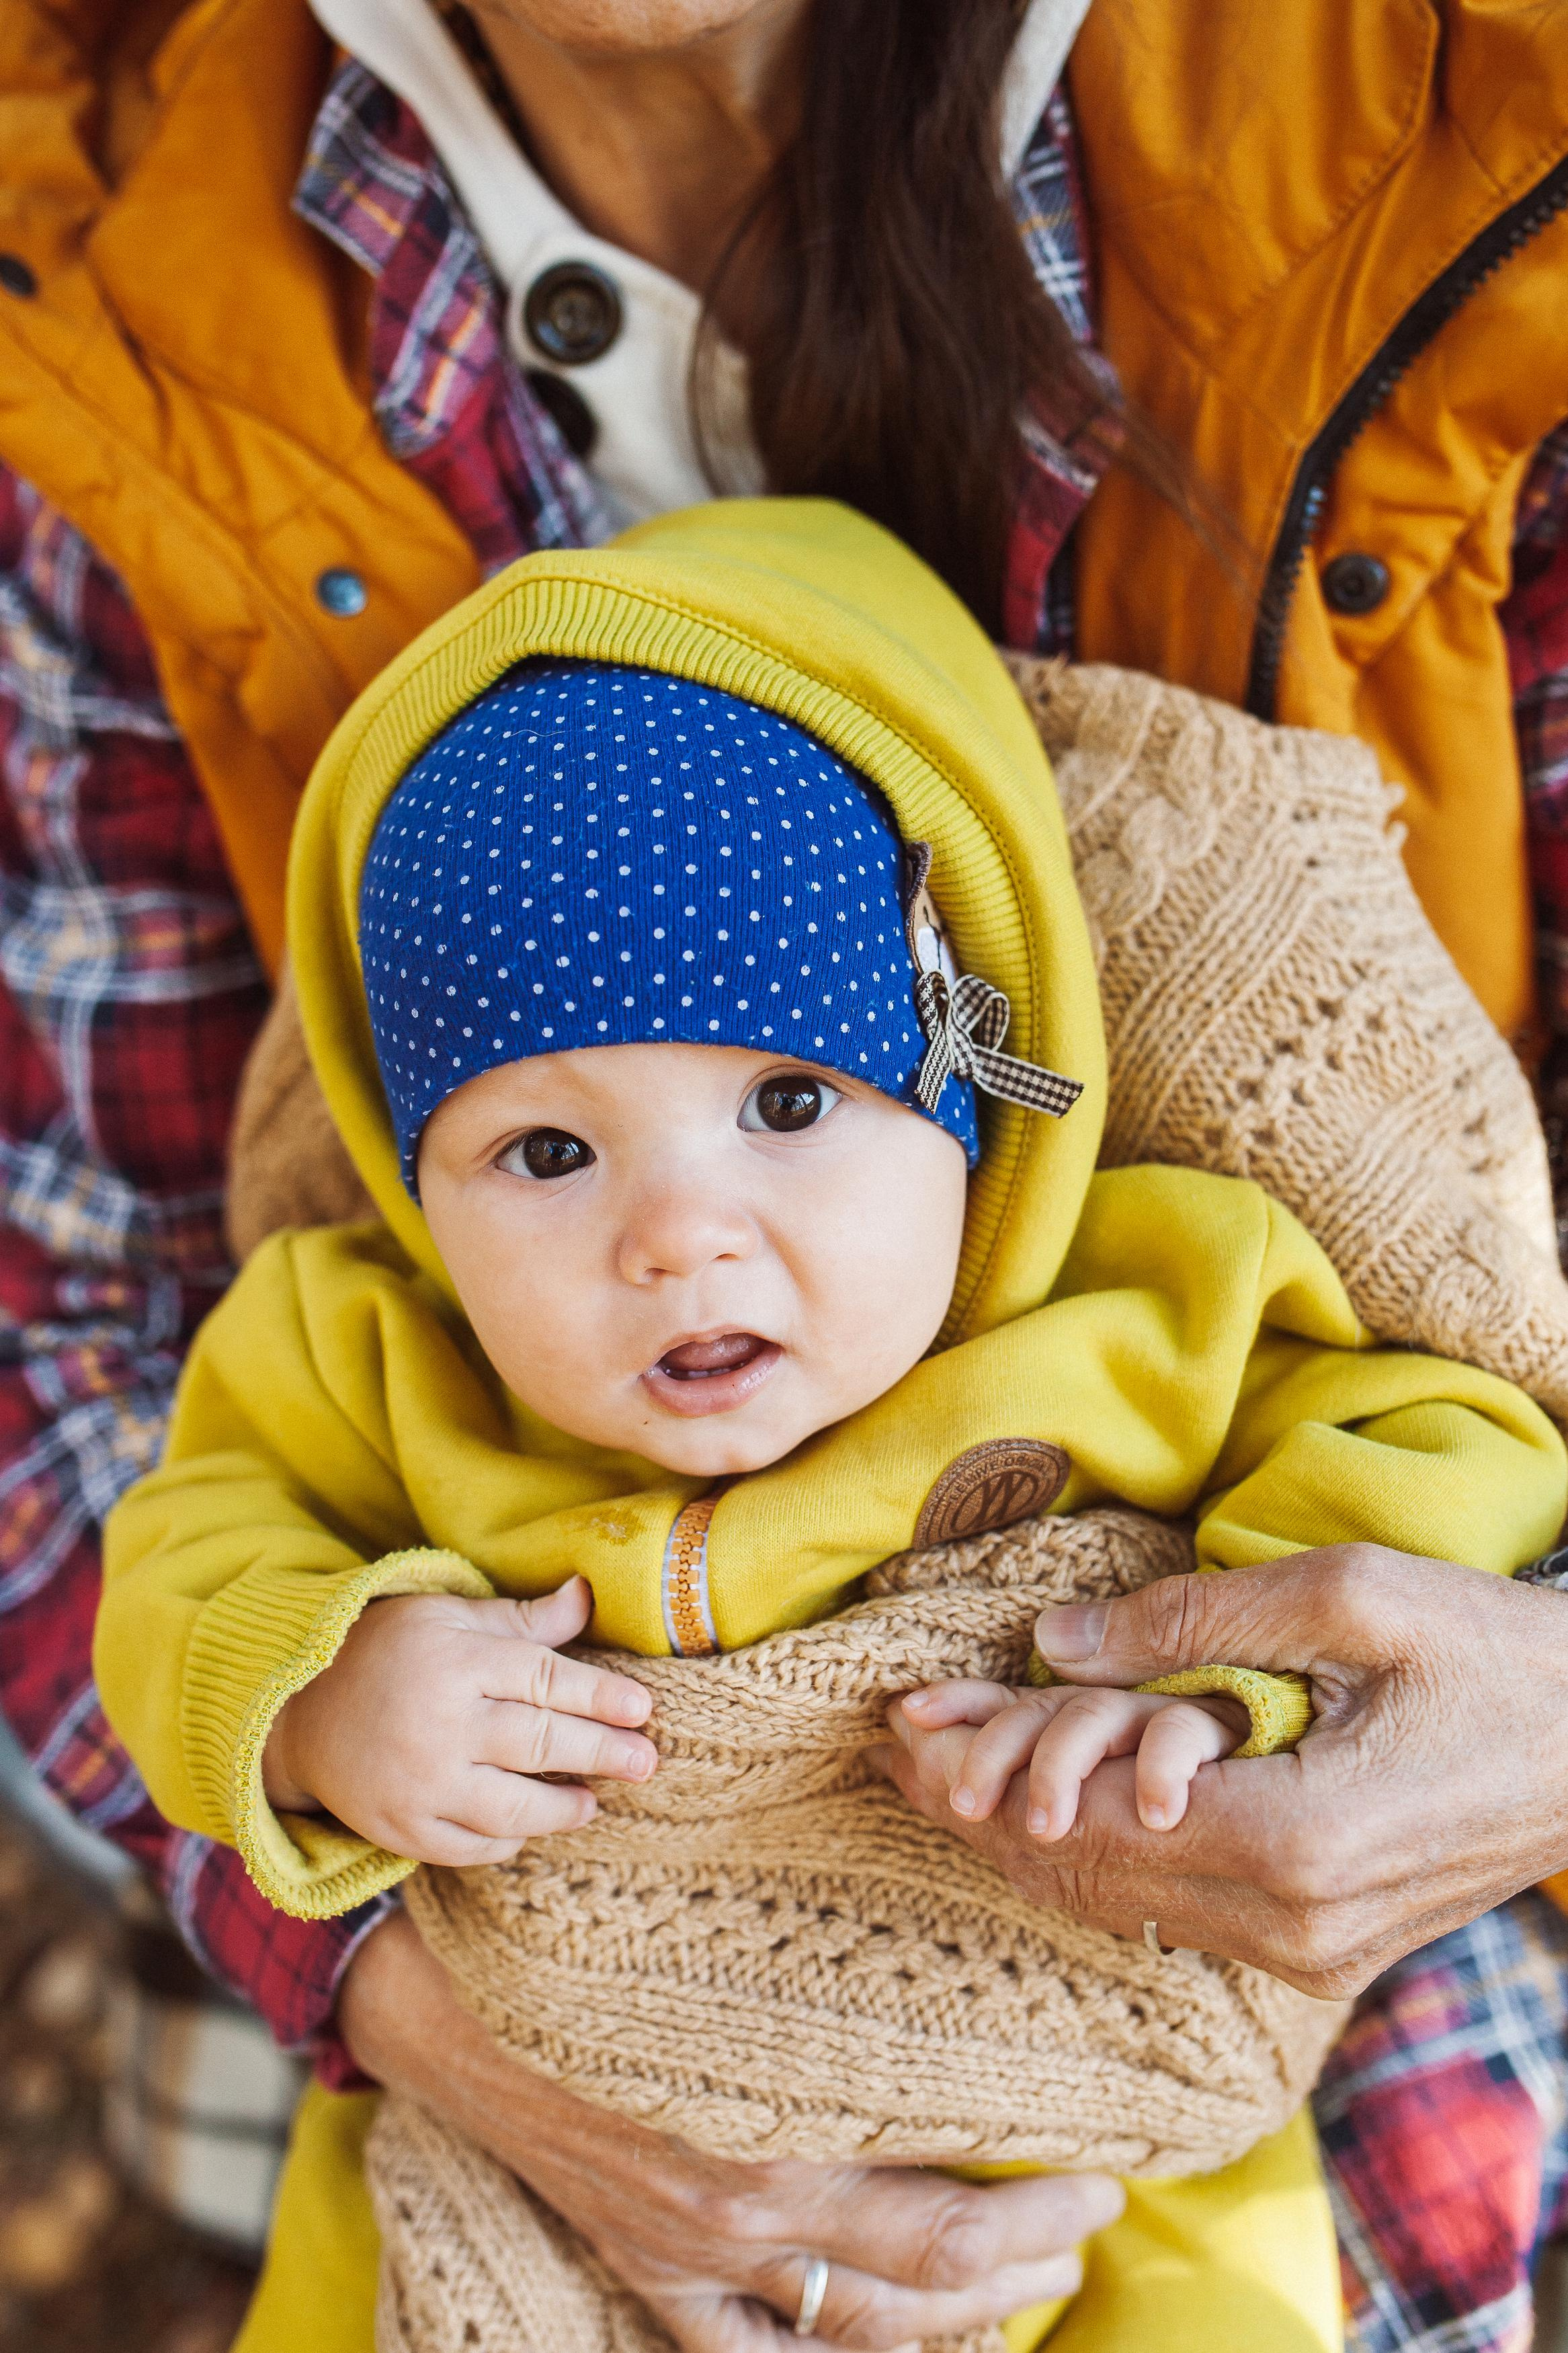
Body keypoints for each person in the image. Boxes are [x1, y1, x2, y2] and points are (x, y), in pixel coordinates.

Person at [3, 2, 1567, 2346]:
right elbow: (139, 1470)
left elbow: (1426, 1430)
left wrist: (1258, 1698)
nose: (680, 1230)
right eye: (540, 1153)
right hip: (528, 2078)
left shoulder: (1152, 1283)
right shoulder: (362, 1342)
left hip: (1167, 2055)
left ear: (984, 1079)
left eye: (795, 1106)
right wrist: (323, 1735)